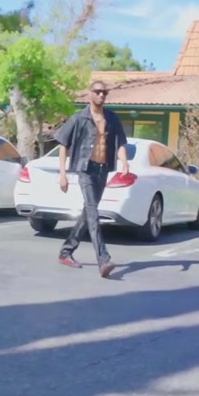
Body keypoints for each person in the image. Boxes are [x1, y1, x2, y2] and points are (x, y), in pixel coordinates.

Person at [53, 80, 130, 278]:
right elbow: (63, 145)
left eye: (105, 92)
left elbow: (120, 142)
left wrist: (124, 162)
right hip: (85, 169)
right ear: (90, 93)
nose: (101, 95)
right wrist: (63, 174)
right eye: (98, 92)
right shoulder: (79, 118)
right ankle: (103, 260)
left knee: (88, 213)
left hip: (102, 170)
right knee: (93, 212)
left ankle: (66, 252)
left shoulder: (112, 118)